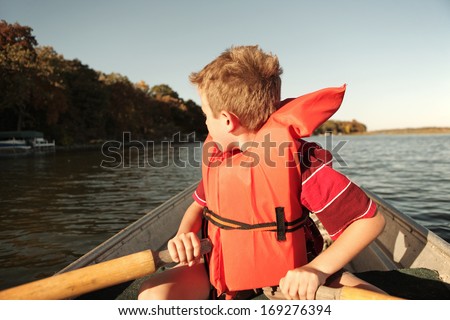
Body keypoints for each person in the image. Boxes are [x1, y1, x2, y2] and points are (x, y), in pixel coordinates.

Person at [138, 45, 386, 300]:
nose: (204, 123)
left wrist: (316, 270)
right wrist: (184, 234)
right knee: (152, 295)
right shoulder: (221, 157)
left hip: (292, 276)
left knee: (368, 301)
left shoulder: (300, 161)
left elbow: (369, 220)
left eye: (205, 115)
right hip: (220, 270)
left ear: (227, 120)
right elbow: (197, 206)